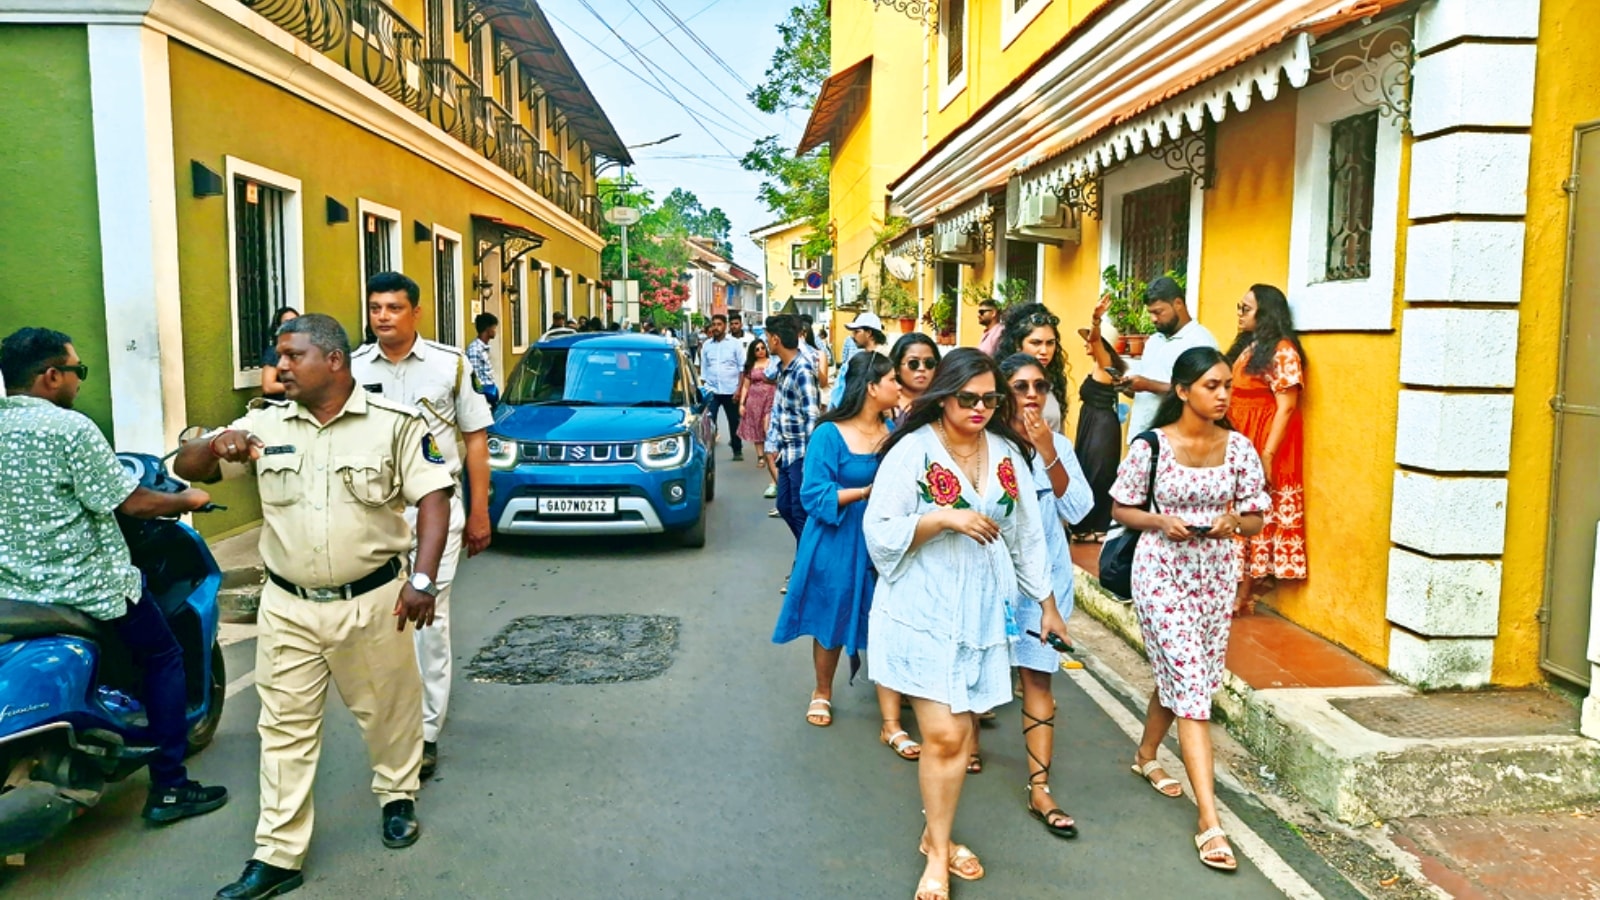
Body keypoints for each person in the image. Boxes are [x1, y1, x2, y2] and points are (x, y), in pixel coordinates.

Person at [174, 314, 454, 899]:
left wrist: (422, 580)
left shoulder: (394, 425)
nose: (278, 367)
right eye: (278, 356)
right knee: (282, 729)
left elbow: (433, 497)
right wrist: (210, 446)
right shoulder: (261, 423)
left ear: (332, 361)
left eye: (290, 355)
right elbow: (188, 469)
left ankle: (397, 795)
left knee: (389, 714)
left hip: (375, 601)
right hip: (289, 607)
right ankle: (278, 854)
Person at [0, 327, 229, 826]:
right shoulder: (70, 429)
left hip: (14, 593)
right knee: (165, 654)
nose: (80, 382)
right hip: (86, 588)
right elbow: (135, 501)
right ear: (51, 376)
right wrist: (189, 499)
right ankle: (170, 785)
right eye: (77, 371)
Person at [864, 349, 1068, 900]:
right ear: (943, 395)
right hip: (920, 606)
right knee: (947, 734)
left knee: (957, 735)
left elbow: (1026, 534)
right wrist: (941, 518)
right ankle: (937, 856)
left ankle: (937, 839)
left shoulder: (1006, 453)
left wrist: (1046, 604)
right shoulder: (912, 451)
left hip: (981, 609)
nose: (979, 408)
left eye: (990, 399)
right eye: (967, 398)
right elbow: (879, 530)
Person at [1110, 346, 1269, 874]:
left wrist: (1232, 523)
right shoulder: (1151, 447)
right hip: (1160, 572)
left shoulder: (1241, 449)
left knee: (1185, 675)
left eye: (1226, 385)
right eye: (1211, 385)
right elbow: (1121, 508)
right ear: (1182, 391)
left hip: (1216, 576)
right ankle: (1210, 820)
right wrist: (1160, 522)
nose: (1223, 394)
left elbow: (1255, 519)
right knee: (1192, 685)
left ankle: (1144, 757)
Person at [351, 272, 495, 783]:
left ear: (415, 312)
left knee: (428, 619)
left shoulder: (449, 365)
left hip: (438, 507)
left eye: (392, 307)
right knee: (379, 620)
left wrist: (480, 511)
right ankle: (391, 722)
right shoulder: (350, 368)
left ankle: (425, 733)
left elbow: (475, 440)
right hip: (373, 514)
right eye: (374, 308)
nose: (382, 316)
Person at [774, 353, 919, 760]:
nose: (900, 386)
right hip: (836, 536)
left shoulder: (891, 429)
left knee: (886, 618)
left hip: (880, 537)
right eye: (893, 379)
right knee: (831, 615)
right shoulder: (829, 434)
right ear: (871, 387)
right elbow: (812, 494)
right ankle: (822, 691)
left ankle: (892, 714)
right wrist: (863, 494)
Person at [996, 352, 1094, 838]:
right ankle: (965, 746)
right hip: (993, 579)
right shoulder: (985, 444)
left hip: (1045, 586)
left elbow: (1078, 509)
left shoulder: (1057, 444)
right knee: (983, 669)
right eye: (1020, 386)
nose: (1032, 395)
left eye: (1040, 386)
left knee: (1039, 679)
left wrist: (1048, 452)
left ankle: (1040, 785)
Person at [1226, 284, 1308, 614]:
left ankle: (1243, 594)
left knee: (1254, 513)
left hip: (1263, 439)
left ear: (1267, 313)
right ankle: (1237, 589)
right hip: (1241, 436)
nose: (1240, 313)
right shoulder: (1249, 346)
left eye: (1246, 308)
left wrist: (1267, 455)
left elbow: (1287, 406)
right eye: (1240, 306)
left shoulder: (1283, 350)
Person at [1121, 276, 1218, 440]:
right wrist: (1129, 386)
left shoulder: (1200, 341)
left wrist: (1148, 385)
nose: (1153, 319)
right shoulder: (1154, 340)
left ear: (1178, 304)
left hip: (1175, 444)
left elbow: (1200, 393)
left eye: (1158, 312)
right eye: (1150, 313)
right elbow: (1143, 391)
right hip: (1142, 439)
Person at [1072, 295, 1128, 541]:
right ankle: (1089, 526)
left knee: (1098, 473)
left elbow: (1096, 339)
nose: (1087, 343)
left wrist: (1096, 319)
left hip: (1101, 426)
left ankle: (1098, 526)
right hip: (1093, 423)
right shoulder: (1099, 365)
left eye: (1090, 340)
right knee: (1088, 471)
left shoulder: (1104, 363)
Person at [765, 315, 820, 542]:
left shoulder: (802, 371)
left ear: (776, 339)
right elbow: (780, 411)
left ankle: (807, 563)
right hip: (786, 453)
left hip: (801, 454)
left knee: (799, 511)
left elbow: (812, 416)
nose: (766, 342)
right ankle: (805, 558)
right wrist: (773, 443)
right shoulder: (782, 369)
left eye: (768, 338)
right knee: (785, 506)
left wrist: (810, 459)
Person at [995, 303, 1069, 433]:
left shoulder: (1053, 381)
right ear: (1018, 344)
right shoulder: (999, 382)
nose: (1044, 351)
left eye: (1050, 343)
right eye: (1036, 343)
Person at [736, 338, 779, 501]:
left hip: (770, 397)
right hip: (754, 399)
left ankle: (772, 452)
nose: (761, 351)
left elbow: (778, 378)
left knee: (767, 426)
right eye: (757, 349)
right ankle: (761, 456)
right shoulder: (750, 366)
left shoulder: (773, 362)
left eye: (763, 348)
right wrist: (742, 403)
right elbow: (746, 385)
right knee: (755, 427)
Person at [698, 314, 746, 462]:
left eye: (719, 324)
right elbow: (703, 368)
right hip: (712, 390)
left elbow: (742, 368)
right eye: (714, 324)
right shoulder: (706, 345)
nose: (716, 327)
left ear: (725, 326)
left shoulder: (735, 344)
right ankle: (708, 451)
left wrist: (739, 389)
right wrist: (703, 387)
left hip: (731, 390)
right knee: (709, 421)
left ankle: (737, 450)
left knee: (734, 421)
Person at [831, 312, 888, 406]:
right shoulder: (860, 358)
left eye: (857, 332)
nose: (853, 336)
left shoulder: (884, 357)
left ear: (869, 333)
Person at [888, 332, 940, 425]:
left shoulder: (942, 403)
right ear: (897, 368)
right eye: (913, 363)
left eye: (929, 363)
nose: (922, 368)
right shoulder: (886, 405)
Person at [261, 307, 300, 398]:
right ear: (278, 327)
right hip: (279, 405)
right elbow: (268, 387)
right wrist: (299, 386)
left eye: (295, 322)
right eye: (287, 323)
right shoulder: (274, 352)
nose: (292, 326)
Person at [467, 312, 500, 408]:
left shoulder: (483, 349)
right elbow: (475, 379)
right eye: (494, 328)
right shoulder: (475, 350)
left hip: (490, 397)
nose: (495, 331)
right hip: (483, 401)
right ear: (487, 329)